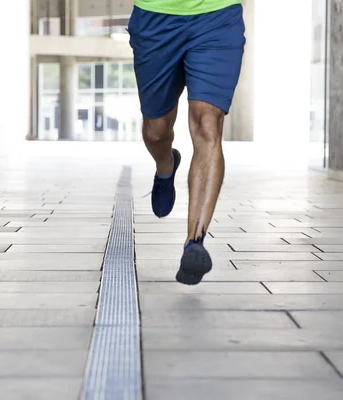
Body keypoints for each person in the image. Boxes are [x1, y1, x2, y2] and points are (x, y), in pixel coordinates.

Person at [127, 0, 245, 285]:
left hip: (218, 15)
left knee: (208, 124)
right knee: (156, 132)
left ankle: (195, 242)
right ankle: (166, 166)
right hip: (156, 17)